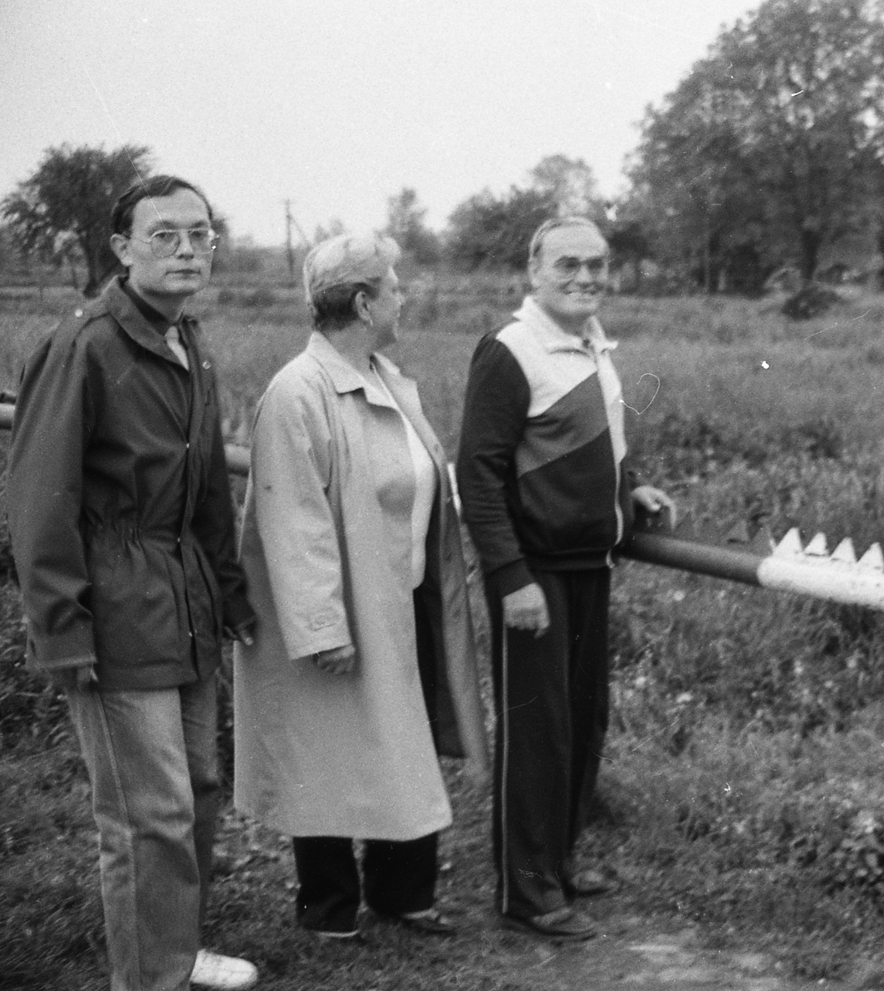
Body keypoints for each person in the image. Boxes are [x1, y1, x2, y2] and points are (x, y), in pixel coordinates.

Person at [6, 175, 259, 990]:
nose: (188, 250)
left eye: (200, 234)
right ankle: (150, 979)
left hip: (185, 602)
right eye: (165, 236)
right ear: (122, 248)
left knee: (199, 792)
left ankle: (174, 953)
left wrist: (230, 594)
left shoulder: (190, 342)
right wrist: (62, 628)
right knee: (148, 815)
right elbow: (40, 503)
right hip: (116, 611)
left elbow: (208, 495)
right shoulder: (83, 348)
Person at [231, 232, 489, 941]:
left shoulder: (385, 378)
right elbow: (294, 521)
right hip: (342, 612)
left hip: (400, 600)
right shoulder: (299, 392)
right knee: (325, 751)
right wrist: (322, 628)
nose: (405, 296)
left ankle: (402, 894)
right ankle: (329, 905)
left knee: (398, 743)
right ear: (364, 303)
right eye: (395, 286)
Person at [457, 216, 675, 942]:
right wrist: (510, 576)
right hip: (535, 572)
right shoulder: (510, 349)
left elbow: (598, 442)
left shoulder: (593, 343)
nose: (586, 277)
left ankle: (559, 861)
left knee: (582, 722)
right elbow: (479, 475)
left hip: (590, 564)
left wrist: (630, 489)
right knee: (537, 731)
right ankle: (525, 891)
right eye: (568, 264)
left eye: (597, 264)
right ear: (534, 270)